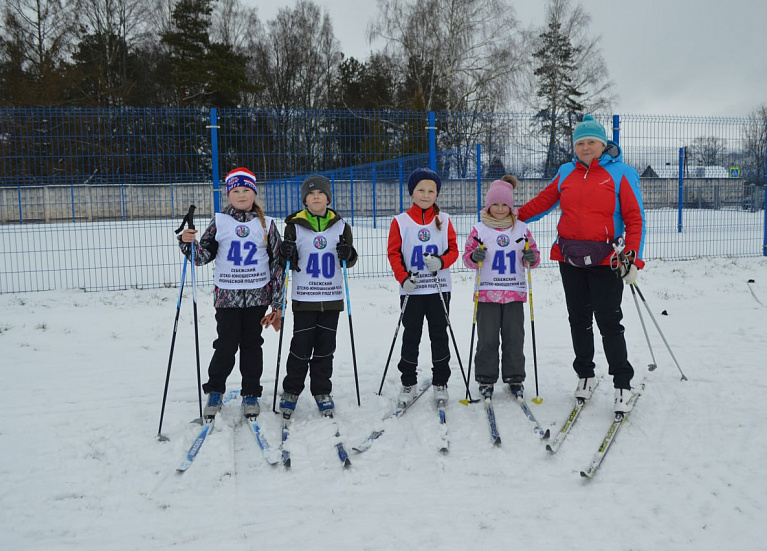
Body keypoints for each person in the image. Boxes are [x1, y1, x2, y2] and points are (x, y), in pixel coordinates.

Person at [517, 115, 646, 413]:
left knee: (609, 321)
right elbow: (542, 202)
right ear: (575, 147)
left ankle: (622, 383)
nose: (586, 147)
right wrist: (511, 216)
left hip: (606, 259)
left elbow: (635, 219)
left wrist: (633, 258)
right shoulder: (565, 172)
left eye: (591, 142)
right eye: (580, 143)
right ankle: (585, 375)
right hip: (569, 257)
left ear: (603, 145)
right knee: (578, 319)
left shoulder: (622, 173)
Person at [179, 167, 284, 419]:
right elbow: (201, 256)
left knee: (252, 345)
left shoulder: (266, 224)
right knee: (225, 345)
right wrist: (187, 242)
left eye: (246, 190)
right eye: (235, 190)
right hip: (227, 297)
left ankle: (251, 394)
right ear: (228, 194)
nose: (241, 194)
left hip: (258, 297)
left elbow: (278, 264)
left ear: (254, 193)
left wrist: (278, 303)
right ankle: (215, 390)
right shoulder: (220, 221)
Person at [277, 175, 357, 419]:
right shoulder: (294, 225)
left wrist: (348, 253)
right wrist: (285, 252)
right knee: (300, 347)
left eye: (320, 194)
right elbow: (286, 262)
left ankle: (322, 390)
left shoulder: (341, 226)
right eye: (311, 195)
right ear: (305, 200)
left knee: (325, 348)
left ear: (328, 198)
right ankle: (291, 390)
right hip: (305, 297)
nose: (316, 198)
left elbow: (350, 260)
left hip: (331, 297)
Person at [462, 176, 540, 400]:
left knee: (514, 337)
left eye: (504, 204)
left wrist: (531, 256)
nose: (499, 209)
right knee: (487, 339)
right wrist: (473, 256)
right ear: (488, 205)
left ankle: (515, 377)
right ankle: (486, 379)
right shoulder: (479, 230)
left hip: (514, 292)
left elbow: (533, 256)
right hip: (487, 293)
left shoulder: (521, 229)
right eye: (495, 204)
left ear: (511, 206)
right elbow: (467, 257)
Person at [387, 167, 459, 405]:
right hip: (413, 290)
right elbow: (394, 253)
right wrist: (403, 278)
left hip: (438, 288)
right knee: (411, 335)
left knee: (439, 334)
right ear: (412, 192)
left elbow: (453, 250)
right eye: (421, 190)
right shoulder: (401, 221)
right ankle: (408, 382)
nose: (426, 195)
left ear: (437, 193)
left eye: (431, 190)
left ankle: (441, 381)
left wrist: (441, 261)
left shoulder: (444, 219)